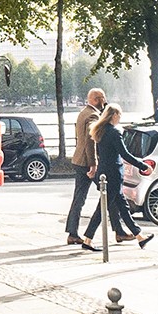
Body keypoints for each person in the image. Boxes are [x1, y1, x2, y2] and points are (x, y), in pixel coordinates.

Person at [91, 103, 155, 248]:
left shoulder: (99, 131)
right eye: (119, 115)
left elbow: (99, 155)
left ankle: (139, 236)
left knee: (122, 206)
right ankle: (88, 239)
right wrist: (143, 166)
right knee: (102, 209)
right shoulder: (114, 132)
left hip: (104, 172)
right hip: (113, 174)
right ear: (114, 115)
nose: (120, 118)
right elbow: (124, 154)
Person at [65, 87, 107, 250]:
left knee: (79, 198)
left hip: (78, 159)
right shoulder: (93, 115)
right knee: (109, 194)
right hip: (86, 163)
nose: (105, 101)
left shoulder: (83, 112)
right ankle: (120, 230)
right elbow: (91, 140)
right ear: (97, 99)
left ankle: (72, 233)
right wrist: (93, 164)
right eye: (103, 98)